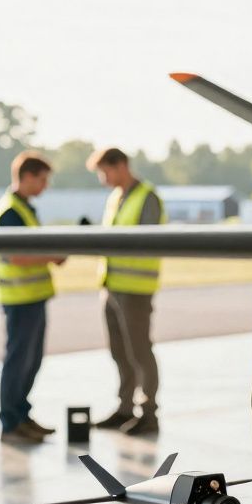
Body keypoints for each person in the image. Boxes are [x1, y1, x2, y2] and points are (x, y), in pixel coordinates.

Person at [87, 147, 166, 436]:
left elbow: (145, 241)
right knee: (119, 351)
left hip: (135, 289)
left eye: (104, 171)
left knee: (140, 351)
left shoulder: (147, 198)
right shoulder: (116, 198)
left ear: (120, 165)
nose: (102, 178)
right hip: (111, 286)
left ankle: (149, 413)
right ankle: (124, 408)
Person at [0, 151, 66, 444]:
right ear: (27, 177)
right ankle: (11, 423)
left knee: (30, 361)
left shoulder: (25, 208)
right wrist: (54, 256)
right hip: (19, 299)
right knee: (18, 361)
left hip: (33, 297)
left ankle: (21, 415)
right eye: (42, 180)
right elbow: (18, 256)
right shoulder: (10, 211)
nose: (45, 186)